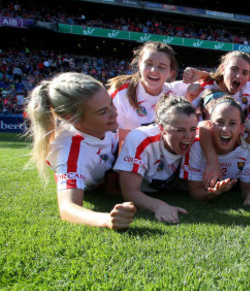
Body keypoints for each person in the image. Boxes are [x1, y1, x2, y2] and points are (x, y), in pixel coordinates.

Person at [25, 72, 136, 230]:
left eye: (111, 103)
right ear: (72, 118)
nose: (114, 112)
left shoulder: (105, 126)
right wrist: (106, 219)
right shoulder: (71, 150)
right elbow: (68, 208)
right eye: (103, 111)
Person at [114, 95, 198, 224]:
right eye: (180, 130)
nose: (188, 136)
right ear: (162, 129)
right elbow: (129, 192)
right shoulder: (139, 138)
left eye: (193, 129)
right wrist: (159, 206)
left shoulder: (197, 142)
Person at [185, 96, 250, 207]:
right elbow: (195, 192)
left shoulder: (246, 146)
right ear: (210, 125)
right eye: (220, 122)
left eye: (232, 123)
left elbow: (247, 187)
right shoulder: (197, 146)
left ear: (241, 128)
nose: (225, 129)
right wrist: (212, 193)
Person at [108, 42, 187, 142]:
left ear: (171, 72)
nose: (154, 70)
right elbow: (110, 134)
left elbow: (210, 81)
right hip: (127, 154)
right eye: (148, 64)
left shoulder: (175, 91)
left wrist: (201, 74)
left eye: (162, 67)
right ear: (139, 64)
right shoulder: (120, 93)